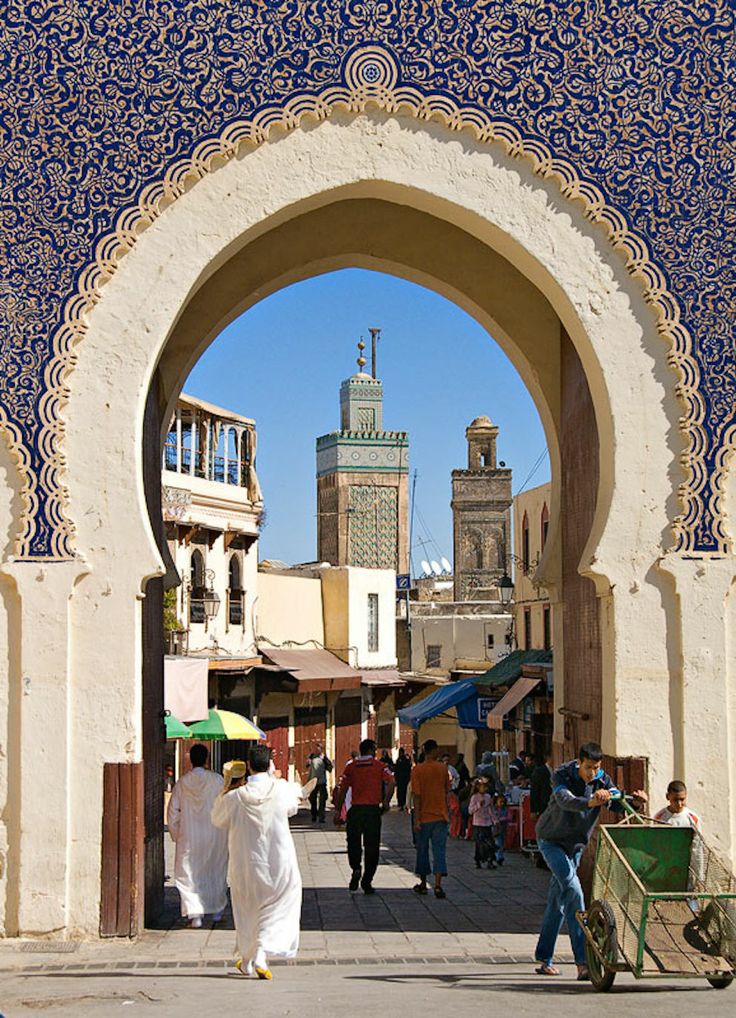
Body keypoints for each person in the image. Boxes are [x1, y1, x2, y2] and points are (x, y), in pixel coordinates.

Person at [533, 742, 647, 979]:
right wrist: (591, 802)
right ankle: (583, 962)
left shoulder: (602, 780)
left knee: (558, 902)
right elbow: (565, 801)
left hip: (575, 846)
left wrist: (635, 801)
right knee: (574, 892)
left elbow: (616, 802)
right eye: (588, 768)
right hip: (551, 841)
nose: (592, 773)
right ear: (579, 762)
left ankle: (544, 959)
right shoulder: (561, 775)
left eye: (596, 768)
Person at [211, 744, 311, 979]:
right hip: (279, 864)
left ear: (248, 766)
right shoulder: (280, 789)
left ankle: (247, 960)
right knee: (278, 907)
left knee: (247, 910)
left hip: (245, 866)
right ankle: (260, 955)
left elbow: (217, 818)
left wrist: (227, 787)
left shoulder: (235, 797)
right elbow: (297, 800)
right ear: (269, 765)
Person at [166, 743, 228, 929]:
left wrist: (177, 834)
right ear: (207, 759)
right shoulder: (217, 781)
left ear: (190, 759)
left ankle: (195, 916)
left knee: (188, 873)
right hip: (214, 835)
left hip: (189, 835)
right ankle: (217, 912)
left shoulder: (183, 783)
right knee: (215, 871)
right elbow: (226, 806)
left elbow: (173, 812)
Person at [333, 738, 394, 895]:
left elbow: (342, 790)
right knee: (372, 847)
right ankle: (367, 880)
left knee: (353, 843)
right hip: (373, 811)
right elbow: (392, 781)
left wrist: (338, 811)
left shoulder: (351, 767)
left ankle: (356, 868)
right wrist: (386, 801)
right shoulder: (380, 766)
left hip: (356, 811)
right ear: (371, 750)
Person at [412, 739, 452, 898]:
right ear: (434, 751)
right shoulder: (443, 769)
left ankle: (422, 883)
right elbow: (447, 790)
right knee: (439, 850)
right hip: (440, 815)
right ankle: (437, 884)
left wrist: (417, 819)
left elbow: (417, 795)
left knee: (422, 850)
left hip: (424, 816)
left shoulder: (417, 770)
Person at [469, 778, 496, 868]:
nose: (485, 789)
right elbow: (470, 811)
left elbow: (490, 809)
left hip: (487, 823)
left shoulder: (488, 796)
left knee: (490, 843)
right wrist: (478, 805)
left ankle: (490, 860)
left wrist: (495, 820)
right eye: (483, 787)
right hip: (478, 823)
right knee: (480, 844)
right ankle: (478, 860)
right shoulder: (474, 797)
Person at [305, 744, 332, 823]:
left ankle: (321, 816)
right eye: (315, 749)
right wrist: (308, 763)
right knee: (312, 798)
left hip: (322, 781)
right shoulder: (311, 756)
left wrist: (328, 766)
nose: (316, 751)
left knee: (322, 799)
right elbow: (307, 765)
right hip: (313, 780)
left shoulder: (324, 758)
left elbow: (329, 767)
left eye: (318, 749)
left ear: (321, 750)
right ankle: (314, 814)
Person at [393, 747, 412, 811]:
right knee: (403, 792)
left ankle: (402, 804)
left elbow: (397, 770)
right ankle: (403, 804)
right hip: (403, 778)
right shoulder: (403, 760)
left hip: (401, 779)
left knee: (401, 792)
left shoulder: (401, 760)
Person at [493, 793, 509, 866]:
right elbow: (493, 818)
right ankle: (499, 857)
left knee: (501, 843)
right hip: (496, 829)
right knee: (498, 842)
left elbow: (509, 817)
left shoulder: (505, 809)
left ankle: (498, 856)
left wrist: (504, 819)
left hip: (503, 828)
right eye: (500, 802)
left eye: (503, 802)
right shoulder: (494, 809)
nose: (502, 803)